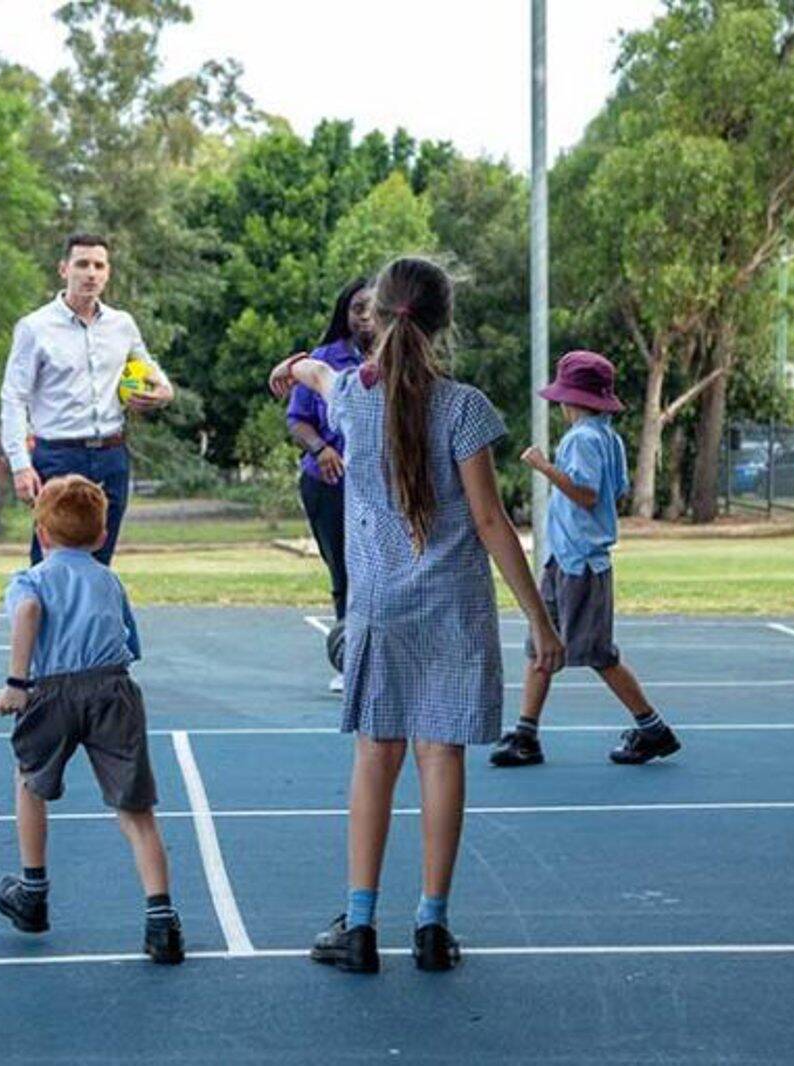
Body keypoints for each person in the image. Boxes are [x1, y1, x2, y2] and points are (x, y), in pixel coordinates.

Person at [268, 257, 565, 975]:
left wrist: (295, 365)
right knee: (442, 756)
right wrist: (540, 620)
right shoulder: (463, 407)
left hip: (380, 606)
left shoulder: (351, 398)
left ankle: (361, 925)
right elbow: (492, 522)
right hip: (455, 608)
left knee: (376, 757)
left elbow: (315, 378)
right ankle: (432, 926)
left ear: (374, 315)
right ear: (441, 320)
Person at [0, 474, 184, 965]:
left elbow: (28, 611)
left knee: (30, 781)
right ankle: (161, 921)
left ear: (42, 535)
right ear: (101, 536)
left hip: (50, 691)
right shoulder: (110, 580)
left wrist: (16, 682)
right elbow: (131, 644)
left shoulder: (29, 581)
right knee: (135, 809)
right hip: (112, 688)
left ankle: (33, 893)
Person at [490, 350, 682, 767]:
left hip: (580, 562)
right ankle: (526, 732)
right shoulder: (608, 437)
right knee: (540, 642)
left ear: (573, 399)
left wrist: (543, 466)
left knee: (597, 653)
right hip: (567, 559)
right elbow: (614, 492)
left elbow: (587, 492)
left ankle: (652, 729)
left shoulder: (583, 439)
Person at [0, 234, 175, 565]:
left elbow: (154, 373)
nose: (90, 273)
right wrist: (20, 465)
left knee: (100, 561)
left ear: (108, 273)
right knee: (52, 562)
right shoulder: (35, 328)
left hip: (111, 455)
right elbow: (13, 398)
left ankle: (92, 619)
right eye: (82, 264)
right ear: (64, 270)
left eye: (99, 265)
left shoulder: (122, 325)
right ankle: (43, 618)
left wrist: (162, 393)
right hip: (58, 457)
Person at [287, 278, 373, 693]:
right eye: (358, 308)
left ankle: (384, 655)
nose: (365, 316)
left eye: (374, 308)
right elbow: (297, 419)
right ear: (346, 312)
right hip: (329, 483)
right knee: (344, 569)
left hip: (378, 485)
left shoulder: (399, 358)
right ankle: (350, 658)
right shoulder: (325, 358)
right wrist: (321, 448)